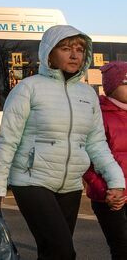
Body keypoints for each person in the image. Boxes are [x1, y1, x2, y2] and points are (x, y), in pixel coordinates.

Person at [0, 25, 125, 259]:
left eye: (80, 49)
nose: (74, 55)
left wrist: (116, 181)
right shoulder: (27, 89)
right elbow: (7, 141)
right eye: (66, 48)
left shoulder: (88, 94)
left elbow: (97, 144)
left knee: (52, 253)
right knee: (63, 251)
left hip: (70, 185)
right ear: (49, 53)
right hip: (31, 181)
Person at [83, 61, 127, 259]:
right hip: (111, 199)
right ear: (111, 86)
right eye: (126, 82)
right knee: (122, 249)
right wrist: (107, 193)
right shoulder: (97, 115)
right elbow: (87, 161)